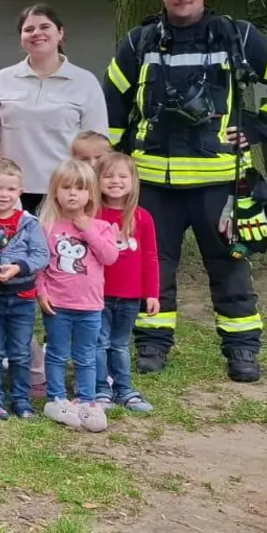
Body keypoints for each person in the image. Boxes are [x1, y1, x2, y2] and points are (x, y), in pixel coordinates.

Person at [103, 0, 267, 381]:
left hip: (220, 180)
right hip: (154, 182)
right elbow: (113, 102)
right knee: (153, 268)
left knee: (230, 266)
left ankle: (242, 350)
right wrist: (111, 156)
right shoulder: (139, 43)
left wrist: (260, 126)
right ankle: (153, 344)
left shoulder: (238, 36)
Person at [0, 5, 108, 212]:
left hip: (65, 193)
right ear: (21, 37)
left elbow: (97, 144)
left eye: (44, 27)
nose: (36, 33)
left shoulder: (85, 82)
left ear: (60, 33)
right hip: (10, 193)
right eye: (29, 29)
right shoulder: (1, 80)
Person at [36, 159, 119, 432]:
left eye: (81, 188)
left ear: (91, 194)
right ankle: (56, 398)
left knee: (86, 355)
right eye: (66, 187)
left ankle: (87, 401)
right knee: (57, 354)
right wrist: (41, 292)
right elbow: (40, 266)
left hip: (91, 305)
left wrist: (87, 228)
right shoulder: (47, 226)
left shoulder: (102, 227)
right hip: (58, 304)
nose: (73, 193)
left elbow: (109, 256)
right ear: (55, 191)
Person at [0, 156, 49, 421]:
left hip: (22, 297)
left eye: (10, 189)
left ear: (20, 192)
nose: (3, 194)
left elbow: (41, 255)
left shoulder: (29, 223)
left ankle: (20, 399)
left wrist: (19, 267)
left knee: (20, 350)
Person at [96, 152, 157, 414]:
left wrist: (151, 293)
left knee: (120, 344)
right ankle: (100, 389)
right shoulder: (93, 214)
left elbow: (151, 257)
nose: (115, 181)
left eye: (123, 176)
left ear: (133, 181)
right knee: (99, 343)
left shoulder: (142, 217)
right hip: (98, 294)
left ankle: (125, 389)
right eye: (108, 175)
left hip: (130, 296)